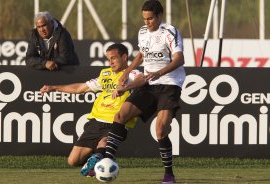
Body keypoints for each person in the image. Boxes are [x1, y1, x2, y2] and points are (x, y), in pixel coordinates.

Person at [103, 1, 186, 183]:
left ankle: (169, 175)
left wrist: (159, 72)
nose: (147, 22)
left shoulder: (170, 32)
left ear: (159, 16)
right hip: (148, 83)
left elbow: (179, 59)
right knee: (121, 115)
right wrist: (126, 73)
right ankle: (106, 160)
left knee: (161, 129)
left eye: (150, 19)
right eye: (144, 19)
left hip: (169, 84)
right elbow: (141, 54)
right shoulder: (142, 32)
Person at [39, 43, 145, 176]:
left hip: (117, 122)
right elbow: (80, 88)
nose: (110, 62)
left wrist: (125, 88)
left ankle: (100, 159)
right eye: (108, 59)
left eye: (113, 58)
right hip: (96, 122)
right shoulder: (105, 74)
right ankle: (104, 161)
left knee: (103, 142)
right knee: (73, 161)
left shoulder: (132, 74)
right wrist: (54, 88)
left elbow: (143, 79)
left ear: (124, 57)